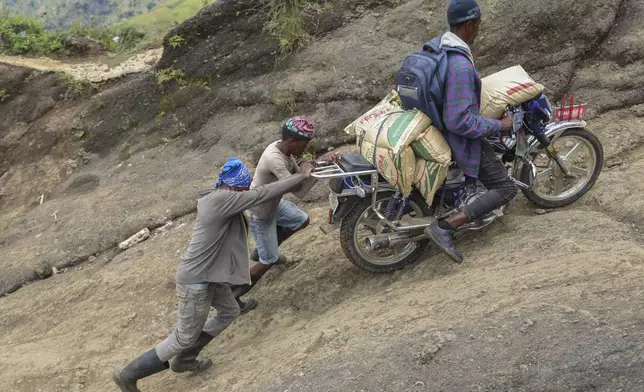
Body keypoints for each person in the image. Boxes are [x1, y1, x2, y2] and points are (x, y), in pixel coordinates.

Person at [112, 157, 314, 392]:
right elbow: (261, 194)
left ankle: (186, 359)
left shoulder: (218, 196)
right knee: (183, 337)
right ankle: (128, 374)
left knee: (230, 311)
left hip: (210, 276)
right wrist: (300, 177)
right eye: (242, 188)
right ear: (233, 187)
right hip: (196, 281)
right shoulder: (222, 201)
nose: (245, 191)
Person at [424, 0, 518, 263]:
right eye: (478, 24)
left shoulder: (439, 47)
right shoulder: (461, 66)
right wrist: (500, 124)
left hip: (435, 125)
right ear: (469, 24)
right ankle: (445, 227)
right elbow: (460, 121)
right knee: (505, 189)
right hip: (457, 138)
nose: (479, 29)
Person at [231, 117, 337, 302]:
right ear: (291, 141)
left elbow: (300, 179)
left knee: (301, 220)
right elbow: (296, 188)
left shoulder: (283, 150)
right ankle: (234, 299)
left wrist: (318, 163)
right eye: (303, 145)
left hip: (273, 204)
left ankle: (263, 250)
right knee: (268, 262)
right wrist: (312, 166)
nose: (304, 149)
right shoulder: (275, 159)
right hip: (261, 212)